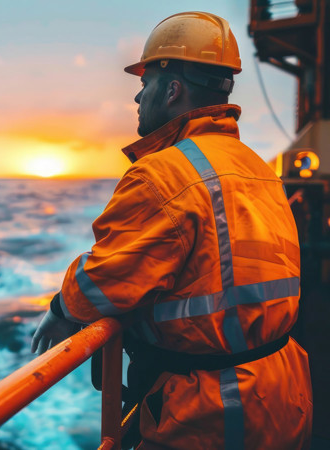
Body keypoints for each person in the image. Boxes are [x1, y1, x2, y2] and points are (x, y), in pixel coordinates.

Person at [30, 11, 313, 449]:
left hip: (213, 410)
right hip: (282, 389)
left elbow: (108, 279)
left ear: (173, 90)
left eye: (145, 85)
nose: (138, 98)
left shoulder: (162, 175)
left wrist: (61, 308)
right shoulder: (255, 166)